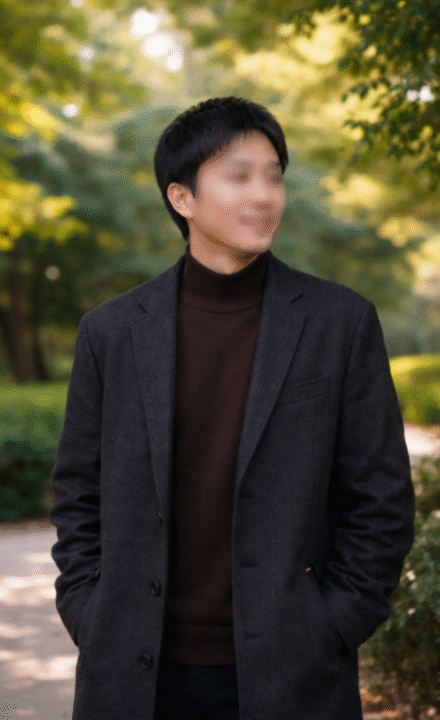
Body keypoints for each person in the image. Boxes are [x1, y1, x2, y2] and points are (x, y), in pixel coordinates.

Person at [50, 97, 415, 720]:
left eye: (274, 177)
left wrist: (334, 624)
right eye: (239, 177)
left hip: (292, 671)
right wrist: (89, 611)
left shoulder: (340, 321)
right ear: (182, 198)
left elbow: (380, 497)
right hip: (135, 674)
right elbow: (78, 492)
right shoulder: (111, 332)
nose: (264, 196)